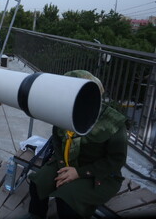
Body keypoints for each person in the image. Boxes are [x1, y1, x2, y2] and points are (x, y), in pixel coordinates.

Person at [27, 70, 128, 219]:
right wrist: (63, 167)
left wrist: (78, 173)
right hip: (66, 163)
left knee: (66, 199)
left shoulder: (112, 122)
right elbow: (57, 140)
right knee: (38, 183)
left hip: (99, 174)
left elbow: (116, 160)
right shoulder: (64, 111)